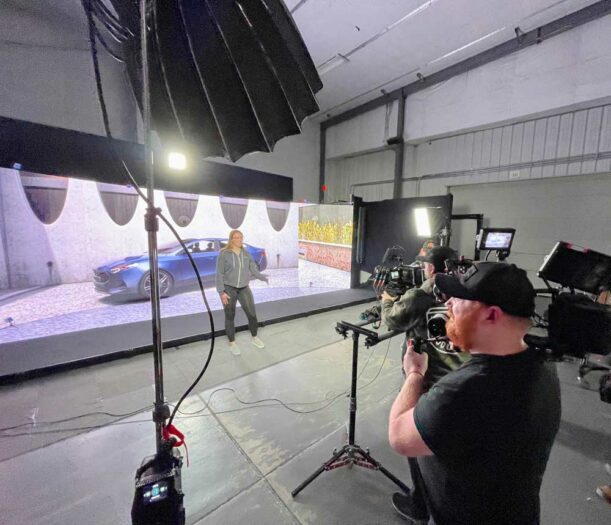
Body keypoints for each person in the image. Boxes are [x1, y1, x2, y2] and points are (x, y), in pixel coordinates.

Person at [388, 262, 561, 525]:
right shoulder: (543, 366)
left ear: (491, 316)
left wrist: (414, 373)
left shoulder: (462, 391)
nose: (448, 305)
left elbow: (399, 437)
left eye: (460, 299)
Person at [381, 246, 471, 521]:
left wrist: (387, 299)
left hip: (428, 382)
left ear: (431, 268)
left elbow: (392, 319)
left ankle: (419, 505)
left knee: (417, 445)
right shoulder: (467, 289)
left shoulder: (421, 295)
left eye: (424, 265)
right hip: (461, 376)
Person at [215, 229, 268, 355]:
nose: (239, 239)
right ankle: (232, 343)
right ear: (231, 239)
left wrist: (262, 277)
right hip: (229, 288)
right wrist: (221, 292)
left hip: (244, 288)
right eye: (236, 237)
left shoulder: (246, 254)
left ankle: (254, 337)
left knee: (252, 314)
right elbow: (219, 274)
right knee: (229, 315)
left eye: (240, 237)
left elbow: (253, 270)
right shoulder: (224, 253)